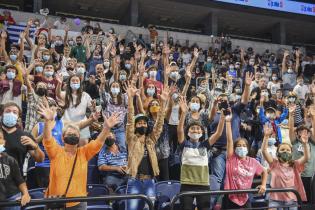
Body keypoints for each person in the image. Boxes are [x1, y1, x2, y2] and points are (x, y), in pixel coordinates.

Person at [38, 100, 120, 210]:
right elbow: (47, 139)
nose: (72, 135)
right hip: (55, 201)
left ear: (78, 138)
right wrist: (47, 122)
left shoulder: (84, 153)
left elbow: (98, 142)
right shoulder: (56, 151)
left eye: (75, 134)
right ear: (63, 138)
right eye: (69, 133)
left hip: (78, 203)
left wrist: (106, 128)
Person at [125, 83, 169, 210]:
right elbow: (129, 121)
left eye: (144, 122)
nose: (142, 124)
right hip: (134, 181)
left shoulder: (150, 140)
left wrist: (163, 103)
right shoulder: (132, 139)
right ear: (135, 126)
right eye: (139, 123)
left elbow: (159, 125)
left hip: (150, 182)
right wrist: (130, 99)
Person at [177, 96, 225, 210]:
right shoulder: (184, 144)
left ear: (202, 132)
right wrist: (183, 113)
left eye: (198, 129)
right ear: (187, 132)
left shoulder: (205, 145)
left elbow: (218, 133)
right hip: (186, 185)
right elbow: (179, 130)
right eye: (192, 128)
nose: (195, 130)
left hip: (203, 185)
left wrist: (223, 117)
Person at [222, 113, 267, 209]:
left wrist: (263, 185)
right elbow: (230, 140)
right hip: (230, 197)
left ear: (247, 148)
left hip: (246, 197)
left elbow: (264, 171)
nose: (241, 148)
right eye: (238, 146)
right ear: (234, 149)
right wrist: (228, 122)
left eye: (244, 146)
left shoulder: (253, 161)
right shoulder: (231, 158)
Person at [262, 124, 309, 209]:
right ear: (277, 153)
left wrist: (305, 144)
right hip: (275, 198)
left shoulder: (295, 164)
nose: (285, 151)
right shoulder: (274, 163)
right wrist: (266, 136)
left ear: (291, 153)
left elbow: (306, 157)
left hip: (292, 198)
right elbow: (264, 151)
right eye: (282, 150)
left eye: (288, 150)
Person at [2, 102, 45, 173]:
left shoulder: (25, 136)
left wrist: (35, 146)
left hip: (16, 180)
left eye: (14, 112)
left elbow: (40, 159)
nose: (11, 114)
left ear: (18, 117)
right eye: (8, 111)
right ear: (2, 114)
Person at [56, 74, 93, 145]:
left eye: (77, 81)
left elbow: (92, 108)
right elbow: (58, 94)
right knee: (67, 145)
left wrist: (94, 107)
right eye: (73, 80)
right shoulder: (65, 94)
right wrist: (59, 83)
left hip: (82, 124)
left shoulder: (85, 95)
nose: (75, 82)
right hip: (67, 124)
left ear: (80, 83)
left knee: (84, 144)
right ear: (69, 83)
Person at [0, 128, 31, 210]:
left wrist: (26, 193)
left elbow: (19, 180)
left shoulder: (10, 160)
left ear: (4, 142)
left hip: (12, 198)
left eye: (0, 138)